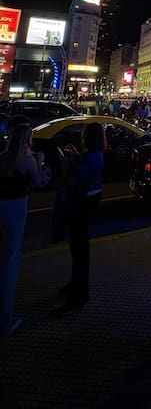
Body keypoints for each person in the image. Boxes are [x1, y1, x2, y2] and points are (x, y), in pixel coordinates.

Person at [0, 121, 50, 336]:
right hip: (14, 209)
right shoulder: (27, 160)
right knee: (10, 261)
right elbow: (39, 183)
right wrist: (40, 164)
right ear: (27, 139)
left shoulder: (2, 158)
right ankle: (5, 319)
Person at [55, 122, 105, 316]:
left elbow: (72, 178)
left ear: (90, 137)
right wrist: (74, 154)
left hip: (83, 202)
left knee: (80, 249)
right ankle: (75, 284)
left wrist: (65, 162)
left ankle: (79, 295)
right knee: (78, 248)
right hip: (85, 199)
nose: (82, 136)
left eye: (84, 134)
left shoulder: (93, 156)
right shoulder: (92, 154)